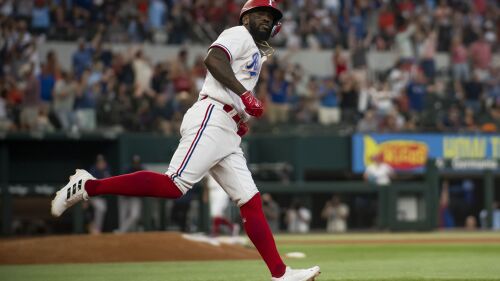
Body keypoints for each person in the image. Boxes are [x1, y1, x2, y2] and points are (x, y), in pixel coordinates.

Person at [51, 1, 320, 280]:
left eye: (271, 16)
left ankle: (280, 274)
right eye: (260, 14)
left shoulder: (253, 48)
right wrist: (244, 96)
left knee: (250, 201)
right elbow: (213, 59)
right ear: (246, 17)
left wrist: (239, 120)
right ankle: (88, 185)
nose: (266, 19)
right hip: (212, 116)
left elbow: (232, 87)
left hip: (225, 127)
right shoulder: (239, 34)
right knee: (173, 185)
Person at [115, 155, 144, 233]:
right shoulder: (127, 170)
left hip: (135, 197)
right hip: (124, 196)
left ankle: (122, 231)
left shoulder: (142, 171)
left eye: (137, 163)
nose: (136, 164)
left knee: (135, 215)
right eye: (135, 163)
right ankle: (123, 234)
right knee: (123, 217)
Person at [87, 154, 110, 234]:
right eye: (99, 162)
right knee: (100, 209)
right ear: (96, 163)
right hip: (93, 196)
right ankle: (95, 229)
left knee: (102, 210)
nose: (101, 163)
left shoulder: (106, 170)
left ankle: (96, 229)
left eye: (102, 162)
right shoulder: (93, 170)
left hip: (102, 197)